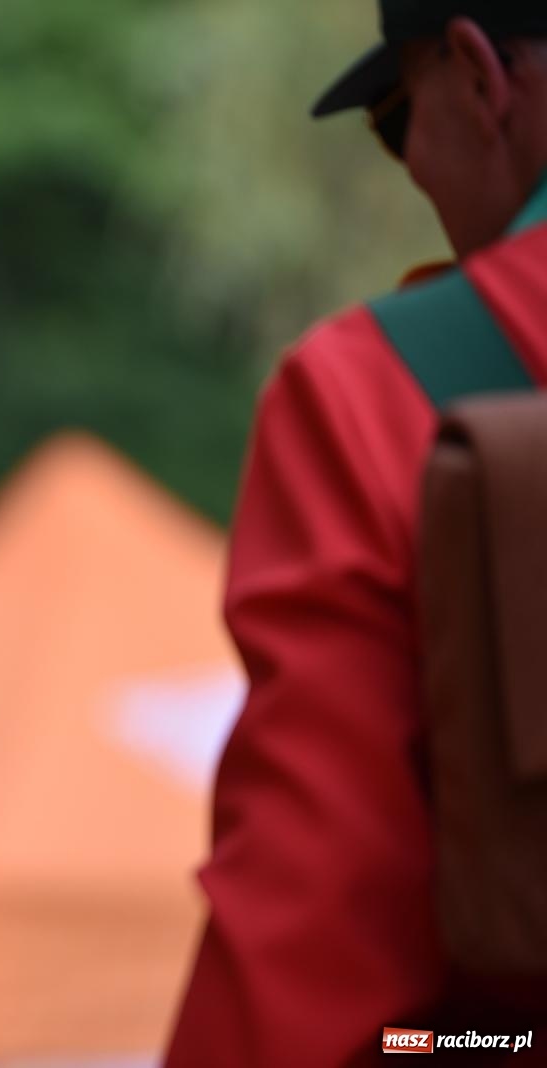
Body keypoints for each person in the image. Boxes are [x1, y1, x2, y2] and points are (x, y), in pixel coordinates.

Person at [166, 2, 547, 1064]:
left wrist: (468, 1048)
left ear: (479, 77)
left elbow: (304, 963)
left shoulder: (382, 393)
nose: (411, 167)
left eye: (396, 117)